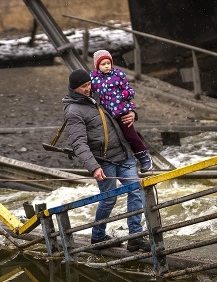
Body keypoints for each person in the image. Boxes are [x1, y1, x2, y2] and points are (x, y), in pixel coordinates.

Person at [62, 68, 151, 252]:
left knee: (135, 191)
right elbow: (79, 143)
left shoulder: (99, 96)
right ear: (73, 88)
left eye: (88, 84)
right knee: (109, 199)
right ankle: (98, 236)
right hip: (103, 161)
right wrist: (94, 167)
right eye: (82, 87)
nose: (87, 89)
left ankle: (135, 237)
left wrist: (133, 113)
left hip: (124, 155)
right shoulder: (73, 111)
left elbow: (121, 106)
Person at [91, 49, 153, 173]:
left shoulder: (118, 75)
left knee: (130, 134)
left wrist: (124, 94)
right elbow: (89, 93)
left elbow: (130, 91)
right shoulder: (93, 78)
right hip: (106, 113)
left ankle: (144, 156)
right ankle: (124, 161)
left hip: (120, 110)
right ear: (97, 66)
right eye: (103, 64)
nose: (107, 66)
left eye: (108, 63)